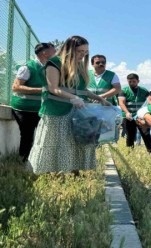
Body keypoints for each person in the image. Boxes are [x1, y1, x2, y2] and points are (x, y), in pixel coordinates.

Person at [27, 35, 111, 174]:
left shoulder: (79, 66)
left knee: (73, 142)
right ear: (70, 49)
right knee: (55, 143)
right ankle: (52, 174)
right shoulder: (54, 62)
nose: (82, 55)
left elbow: (82, 90)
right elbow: (53, 88)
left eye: (85, 53)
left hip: (75, 111)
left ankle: (72, 172)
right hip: (56, 111)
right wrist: (73, 98)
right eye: (80, 52)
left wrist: (100, 98)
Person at [10, 42, 55, 162]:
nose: (55, 53)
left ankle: (38, 162)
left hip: (39, 109)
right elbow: (16, 87)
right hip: (23, 108)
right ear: (45, 53)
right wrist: (42, 90)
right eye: (53, 51)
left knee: (44, 136)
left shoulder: (49, 67)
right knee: (27, 136)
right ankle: (23, 162)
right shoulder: (27, 67)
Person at [118, 73, 151, 153]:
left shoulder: (144, 90)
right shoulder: (124, 91)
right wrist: (127, 113)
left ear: (138, 81)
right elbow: (121, 103)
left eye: (134, 81)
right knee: (130, 136)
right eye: (130, 81)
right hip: (129, 117)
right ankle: (130, 152)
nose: (131, 83)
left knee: (146, 134)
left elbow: (150, 101)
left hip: (140, 117)